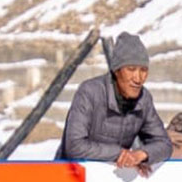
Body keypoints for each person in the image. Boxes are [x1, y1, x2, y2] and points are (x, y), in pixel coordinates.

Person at [55, 32, 171, 172]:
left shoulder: (144, 99)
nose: (138, 78)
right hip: (72, 176)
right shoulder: (89, 92)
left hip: (112, 180)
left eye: (143, 70)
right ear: (116, 71)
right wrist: (119, 153)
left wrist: (141, 154)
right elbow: (74, 146)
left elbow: (164, 144)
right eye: (131, 69)